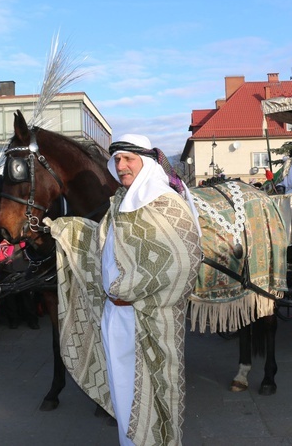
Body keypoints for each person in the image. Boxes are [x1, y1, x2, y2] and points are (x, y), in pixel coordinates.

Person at [47, 134, 202, 446]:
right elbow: (103, 246)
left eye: (128, 158)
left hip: (148, 315)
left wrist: (126, 289)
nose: (121, 165)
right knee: (123, 391)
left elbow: (185, 259)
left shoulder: (165, 203)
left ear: (145, 162)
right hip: (114, 314)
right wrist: (62, 229)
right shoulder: (118, 203)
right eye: (116, 159)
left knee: (151, 389)